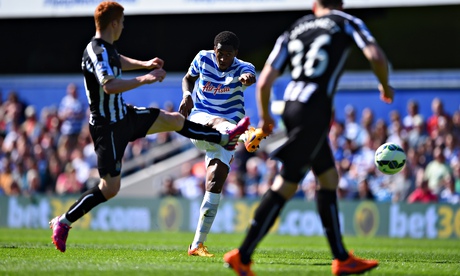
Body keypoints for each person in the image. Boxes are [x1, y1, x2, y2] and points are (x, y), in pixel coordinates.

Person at [49, 2, 249, 253]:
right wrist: (146, 78)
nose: (123, 26)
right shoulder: (96, 50)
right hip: (107, 127)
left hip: (125, 115)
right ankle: (64, 221)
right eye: (122, 22)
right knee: (110, 188)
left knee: (174, 119)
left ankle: (222, 138)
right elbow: (109, 85)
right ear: (113, 23)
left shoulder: (106, 49)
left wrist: (144, 64)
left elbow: (118, 60)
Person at [223, 1, 394, 275]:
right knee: (286, 185)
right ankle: (242, 255)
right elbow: (375, 55)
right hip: (314, 110)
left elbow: (266, 78)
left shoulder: (295, 28)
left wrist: (266, 117)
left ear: (315, 5)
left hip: (291, 106)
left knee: (328, 179)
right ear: (340, 3)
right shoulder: (345, 21)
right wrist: (385, 85)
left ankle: (341, 257)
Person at [178, 31, 265, 257]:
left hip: (226, 137)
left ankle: (196, 245)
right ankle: (247, 135)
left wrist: (247, 80)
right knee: (219, 121)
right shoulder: (203, 58)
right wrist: (187, 95)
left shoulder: (244, 67)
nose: (222, 58)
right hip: (201, 122)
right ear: (213, 50)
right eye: (219, 53)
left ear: (236, 54)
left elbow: (250, 76)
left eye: (228, 54)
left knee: (215, 182)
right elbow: (188, 78)